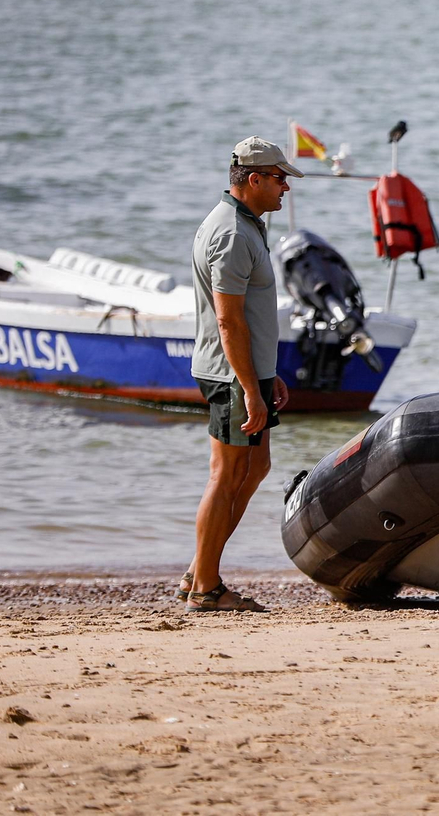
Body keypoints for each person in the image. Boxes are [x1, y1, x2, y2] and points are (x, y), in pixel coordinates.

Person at [182, 136, 302, 612]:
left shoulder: (247, 224)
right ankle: (206, 588)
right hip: (231, 375)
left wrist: (267, 375)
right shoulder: (232, 233)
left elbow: (248, 315)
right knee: (226, 475)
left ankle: (200, 567)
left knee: (255, 467)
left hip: (249, 372)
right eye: (280, 178)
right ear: (254, 180)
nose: (286, 188)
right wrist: (250, 387)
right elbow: (229, 321)